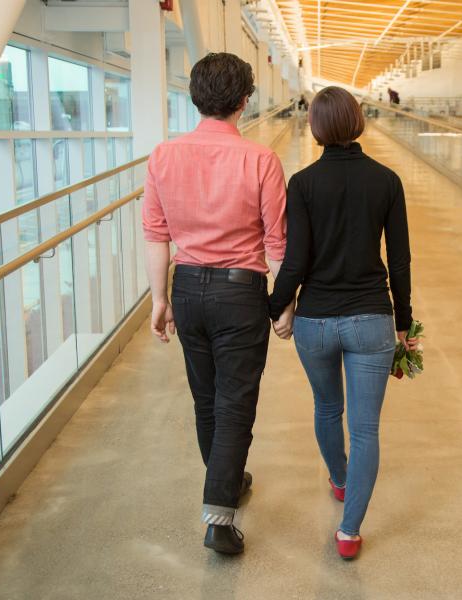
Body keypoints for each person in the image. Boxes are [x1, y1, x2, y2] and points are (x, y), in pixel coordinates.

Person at [142, 52, 287, 555]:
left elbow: (156, 236)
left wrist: (160, 300)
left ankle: (226, 483)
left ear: (194, 97)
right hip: (240, 293)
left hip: (188, 289)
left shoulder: (162, 156)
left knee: (207, 400)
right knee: (234, 405)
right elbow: (276, 243)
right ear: (244, 102)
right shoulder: (261, 160)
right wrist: (285, 302)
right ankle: (218, 516)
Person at [268, 86, 418, 560]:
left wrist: (277, 307)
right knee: (367, 429)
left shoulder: (304, 183)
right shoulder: (387, 181)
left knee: (327, 408)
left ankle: (338, 479)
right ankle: (350, 531)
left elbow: (295, 261)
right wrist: (404, 323)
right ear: (357, 121)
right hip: (372, 318)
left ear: (315, 126)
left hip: (315, 321)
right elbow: (400, 261)